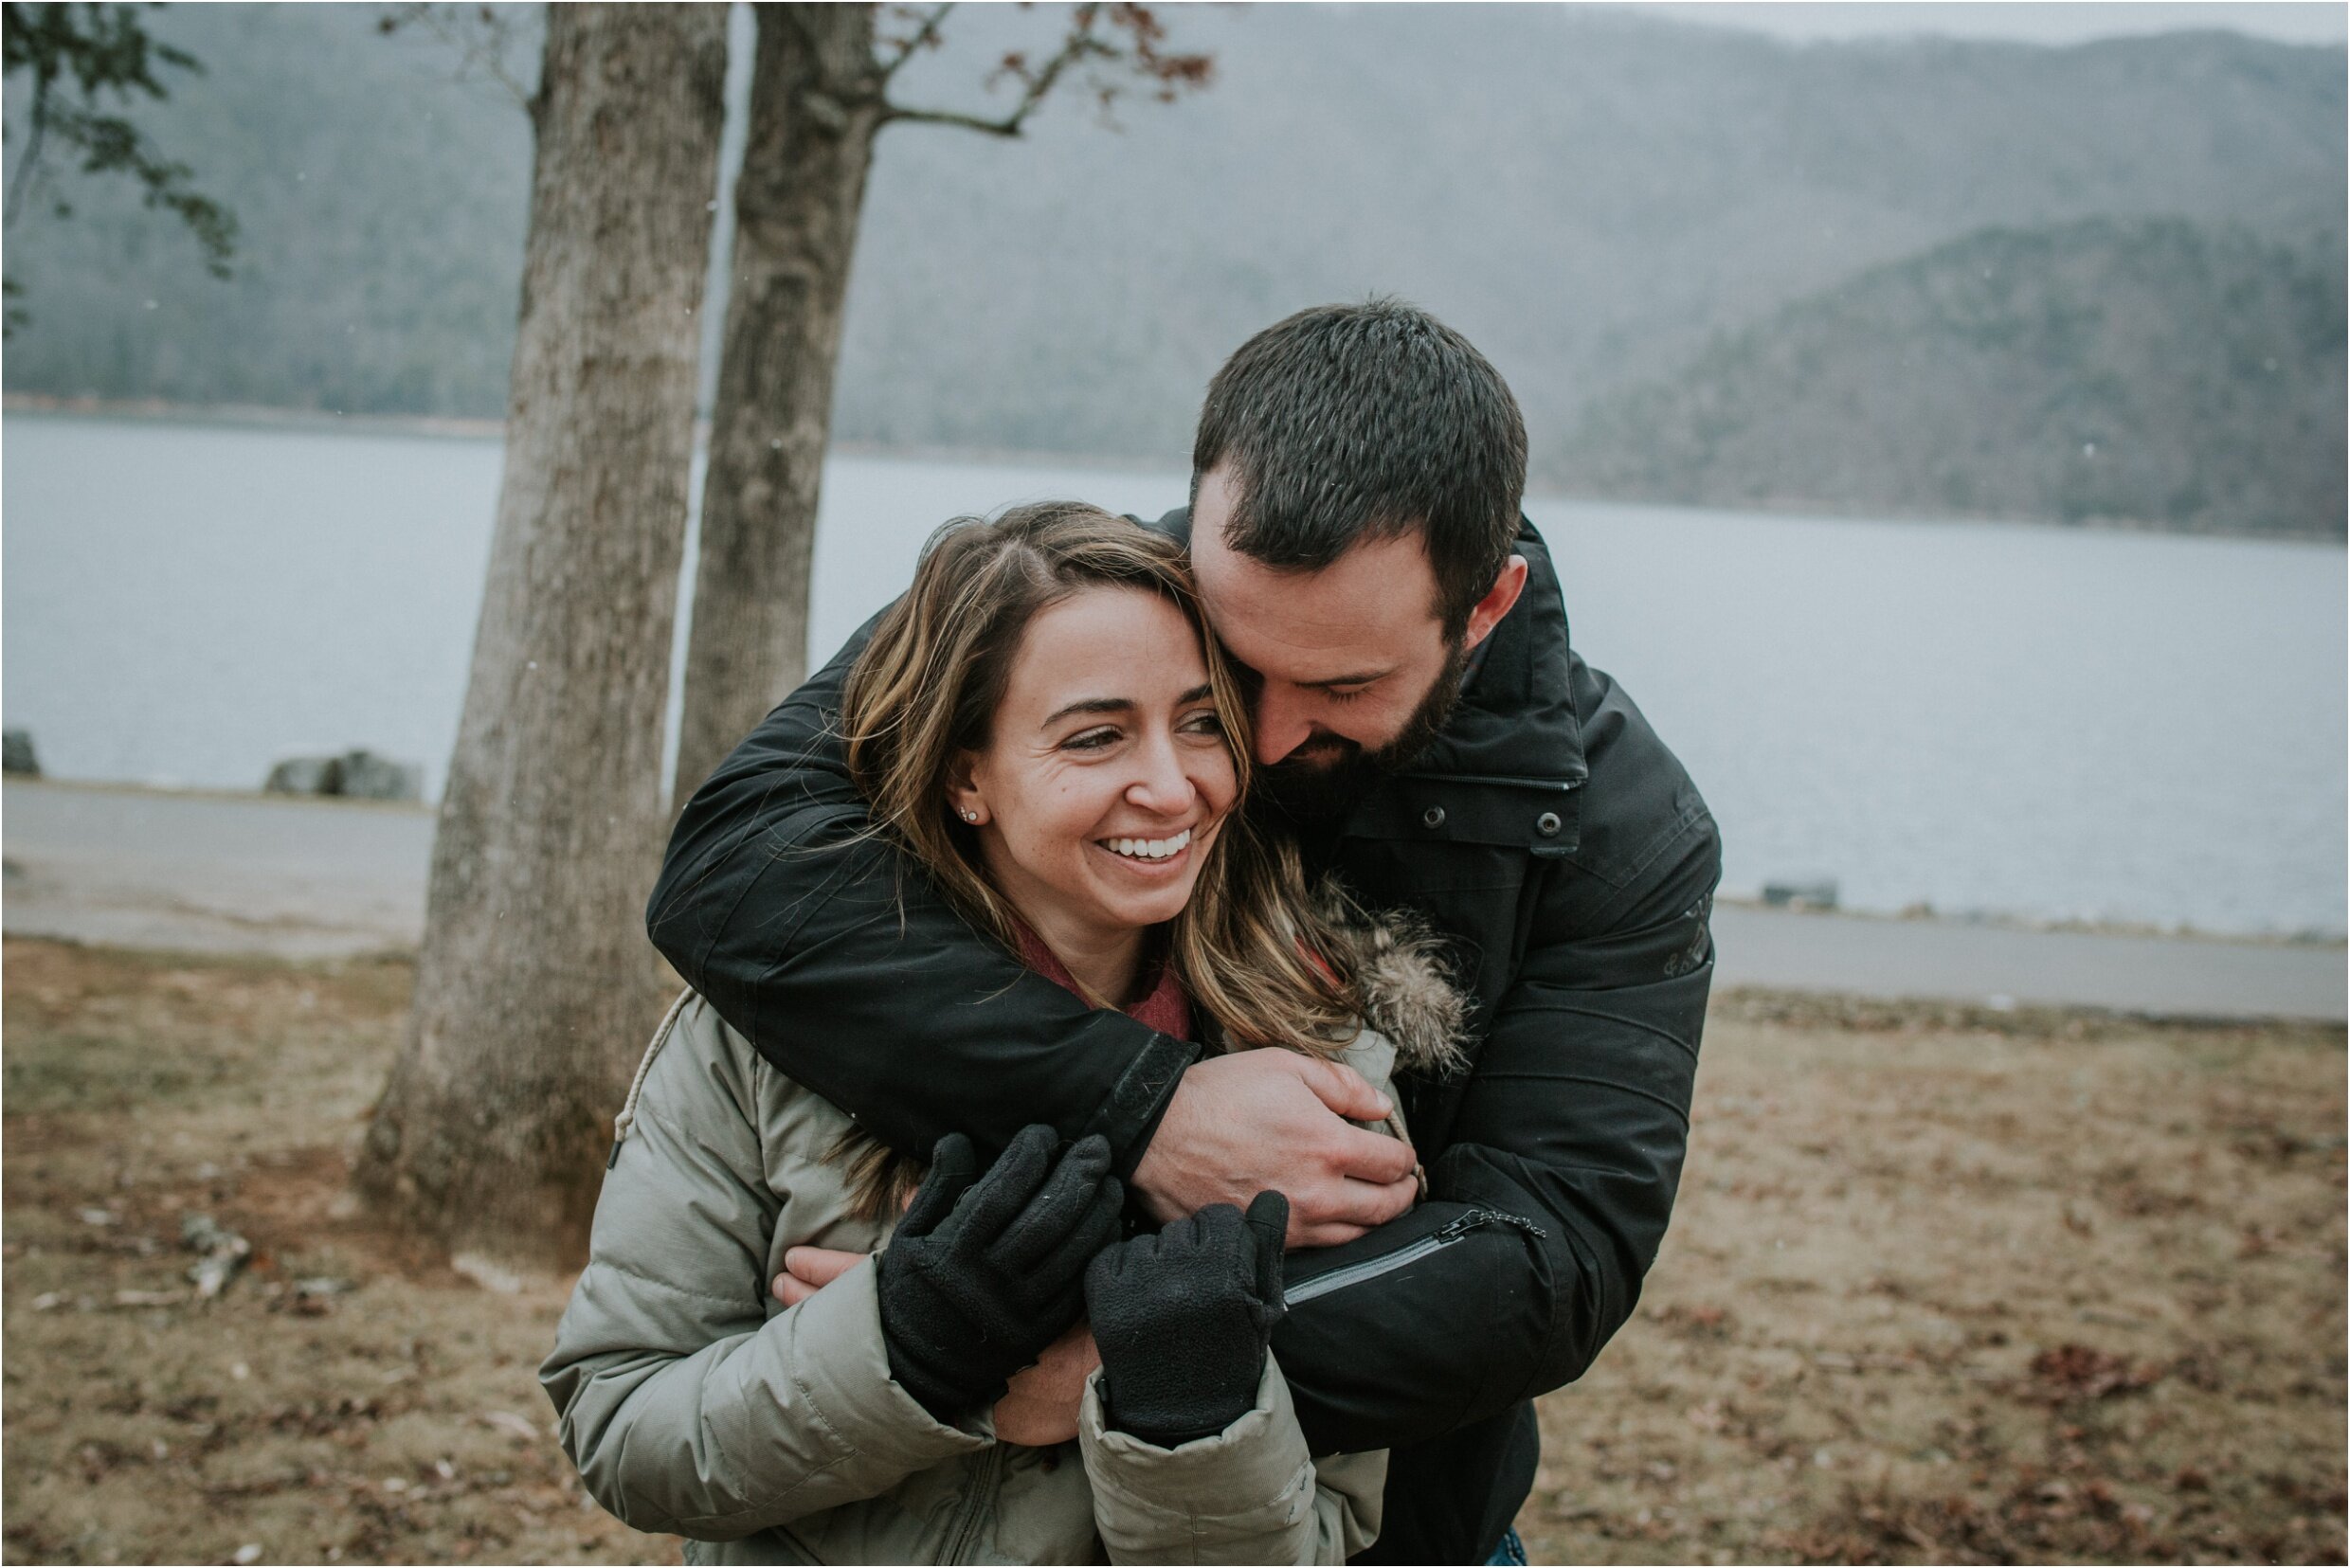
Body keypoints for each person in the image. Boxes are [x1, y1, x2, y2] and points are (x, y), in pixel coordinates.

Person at [651, 300, 1723, 1562]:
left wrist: (1104, 1357)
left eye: (1342, 687)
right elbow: (735, 863)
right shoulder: (1058, 610)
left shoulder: (1623, 821)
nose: (1262, 742)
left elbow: (1554, 1260)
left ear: (1483, 607)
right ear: (1200, 515)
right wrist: (1145, 1107)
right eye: (1232, 659)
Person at [545, 503, 1469, 1562]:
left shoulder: (1319, 1077)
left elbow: (1328, 1533)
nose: (1171, 785)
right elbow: (622, 1428)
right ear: (964, 774)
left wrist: (1179, 1416)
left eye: (1201, 720)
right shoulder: (765, 1035)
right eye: (1094, 735)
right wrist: (913, 1352)